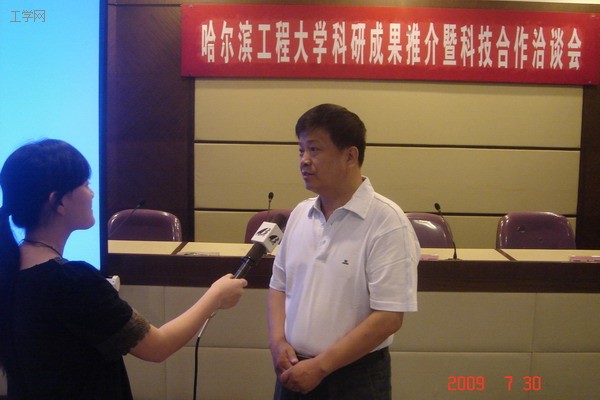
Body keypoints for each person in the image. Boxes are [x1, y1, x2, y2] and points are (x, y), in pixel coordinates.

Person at [0, 139, 247, 399]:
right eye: (85, 184)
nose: (92, 193)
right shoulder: (72, 281)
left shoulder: (10, 270)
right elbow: (157, 347)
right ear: (58, 202)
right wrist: (215, 296)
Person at [268, 104, 420, 399]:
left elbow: (389, 316)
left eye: (314, 149)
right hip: (293, 368)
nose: (304, 161)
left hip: (356, 377)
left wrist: (320, 367)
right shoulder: (299, 214)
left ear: (350, 156)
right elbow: (278, 286)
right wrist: (277, 343)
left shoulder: (387, 221)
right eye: (301, 150)